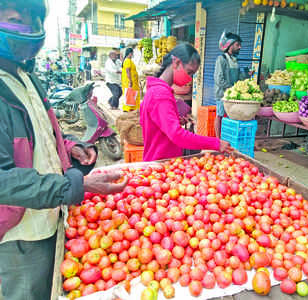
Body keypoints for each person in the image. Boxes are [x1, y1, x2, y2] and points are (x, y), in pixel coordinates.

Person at [0, 1, 127, 299]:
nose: (28, 30)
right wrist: (76, 185)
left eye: (32, 22)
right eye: (16, 19)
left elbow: (41, 135)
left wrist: (71, 149)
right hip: (19, 233)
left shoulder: (25, 79)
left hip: (48, 218)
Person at [140, 43, 234, 161]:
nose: (190, 78)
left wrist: (174, 120)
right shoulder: (160, 94)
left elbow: (153, 125)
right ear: (176, 62)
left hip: (162, 161)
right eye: (189, 72)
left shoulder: (155, 90)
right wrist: (216, 143)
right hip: (161, 163)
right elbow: (177, 135)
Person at [214, 31, 250, 138]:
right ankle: (217, 139)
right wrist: (231, 88)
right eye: (237, 44)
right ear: (230, 45)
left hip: (232, 95)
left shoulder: (235, 60)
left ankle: (227, 138)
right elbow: (218, 79)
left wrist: (247, 75)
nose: (240, 47)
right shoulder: (221, 59)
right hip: (222, 94)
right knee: (220, 116)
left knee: (231, 117)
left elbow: (238, 78)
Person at [121, 47, 140, 112]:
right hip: (129, 80)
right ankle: (128, 108)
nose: (133, 55)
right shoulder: (127, 60)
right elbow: (128, 71)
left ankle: (131, 108)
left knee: (132, 93)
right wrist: (130, 80)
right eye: (132, 53)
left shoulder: (128, 60)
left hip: (132, 80)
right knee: (130, 93)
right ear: (130, 53)